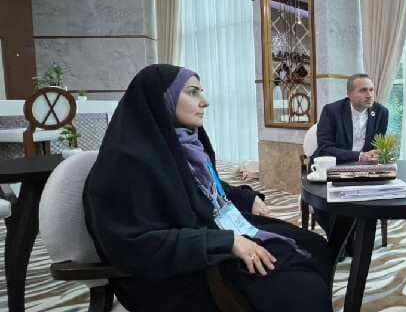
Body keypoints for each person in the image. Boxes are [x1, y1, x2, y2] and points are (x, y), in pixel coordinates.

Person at [83, 64, 333, 312]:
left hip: (206, 232)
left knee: (315, 246)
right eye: (192, 92)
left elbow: (204, 188)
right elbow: (134, 245)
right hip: (173, 275)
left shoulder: (181, 143)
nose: (205, 102)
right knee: (300, 288)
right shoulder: (125, 163)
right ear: (161, 98)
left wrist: (246, 198)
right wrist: (225, 242)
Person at [313, 73, 389, 164]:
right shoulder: (331, 111)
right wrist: (359, 156)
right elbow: (325, 149)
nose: (369, 95)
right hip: (334, 164)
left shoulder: (381, 112)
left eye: (371, 90)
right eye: (363, 90)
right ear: (349, 94)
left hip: (365, 166)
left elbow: (378, 146)